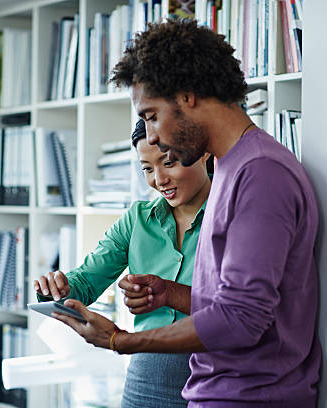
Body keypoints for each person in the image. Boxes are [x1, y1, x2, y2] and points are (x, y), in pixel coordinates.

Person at [50, 19, 322, 408]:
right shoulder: (233, 167)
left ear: (187, 96)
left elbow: (242, 319)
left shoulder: (261, 172)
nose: (152, 135)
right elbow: (237, 301)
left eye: (152, 115)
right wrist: (170, 293)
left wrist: (119, 340)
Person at [34, 118, 211, 407]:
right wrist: (59, 289)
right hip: (147, 374)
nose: (158, 180)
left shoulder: (231, 214)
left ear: (203, 152)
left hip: (216, 371)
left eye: (169, 163)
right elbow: (87, 280)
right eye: (147, 169)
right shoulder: (137, 219)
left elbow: (236, 307)